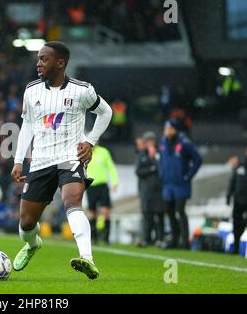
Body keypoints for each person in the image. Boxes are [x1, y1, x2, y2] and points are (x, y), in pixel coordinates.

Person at [11, 41, 112, 280]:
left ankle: (87, 258)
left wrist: (90, 142)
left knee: (72, 201)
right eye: (38, 59)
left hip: (70, 157)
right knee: (26, 224)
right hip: (41, 160)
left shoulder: (82, 90)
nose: (39, 64)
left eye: (44, 59)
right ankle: (33, 244)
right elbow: (27, 125)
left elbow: (105, 112)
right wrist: (18, 161)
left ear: (60, 63)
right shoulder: (31, 91)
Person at [158, 119, 202, 249]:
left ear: (176, 129)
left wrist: (188, 175)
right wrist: (162, 174)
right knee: (170, 212)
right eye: (166, 129)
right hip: (167, 184)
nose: (167, 131)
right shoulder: (163, 142)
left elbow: (198, 160)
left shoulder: (185, 143)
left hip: (180, 184)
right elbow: (161, 160)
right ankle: (174, 240)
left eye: (169, 129)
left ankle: (184, 241)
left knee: (180, 211)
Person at [135, 132, 164, 247]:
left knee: (159, 214)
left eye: (152, 141)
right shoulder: (142, 155)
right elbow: (138, 172)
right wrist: (152, 168)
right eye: (148, 141)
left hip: (159, 189)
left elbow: (162, 168)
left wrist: (154, 160)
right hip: (146, 190)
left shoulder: (160, 154)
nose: (150, 143)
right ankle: (147, 239)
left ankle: (160, 239)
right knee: (147, 215)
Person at [86, 144, 118, 245]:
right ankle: (94, 237)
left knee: (106, 211)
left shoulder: (104, 152)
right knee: (92, 212)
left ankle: (106, 238)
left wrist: (114, 182)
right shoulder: (85, 151)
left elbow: (111, 167)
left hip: (103, 185)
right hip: (90, 185)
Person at [226, 148, 247, 255]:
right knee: (236, 224)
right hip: (238, 200)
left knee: (243, 224)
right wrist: (228, 196)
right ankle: (236, 247)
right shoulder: (240, 166)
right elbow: (232, 182)